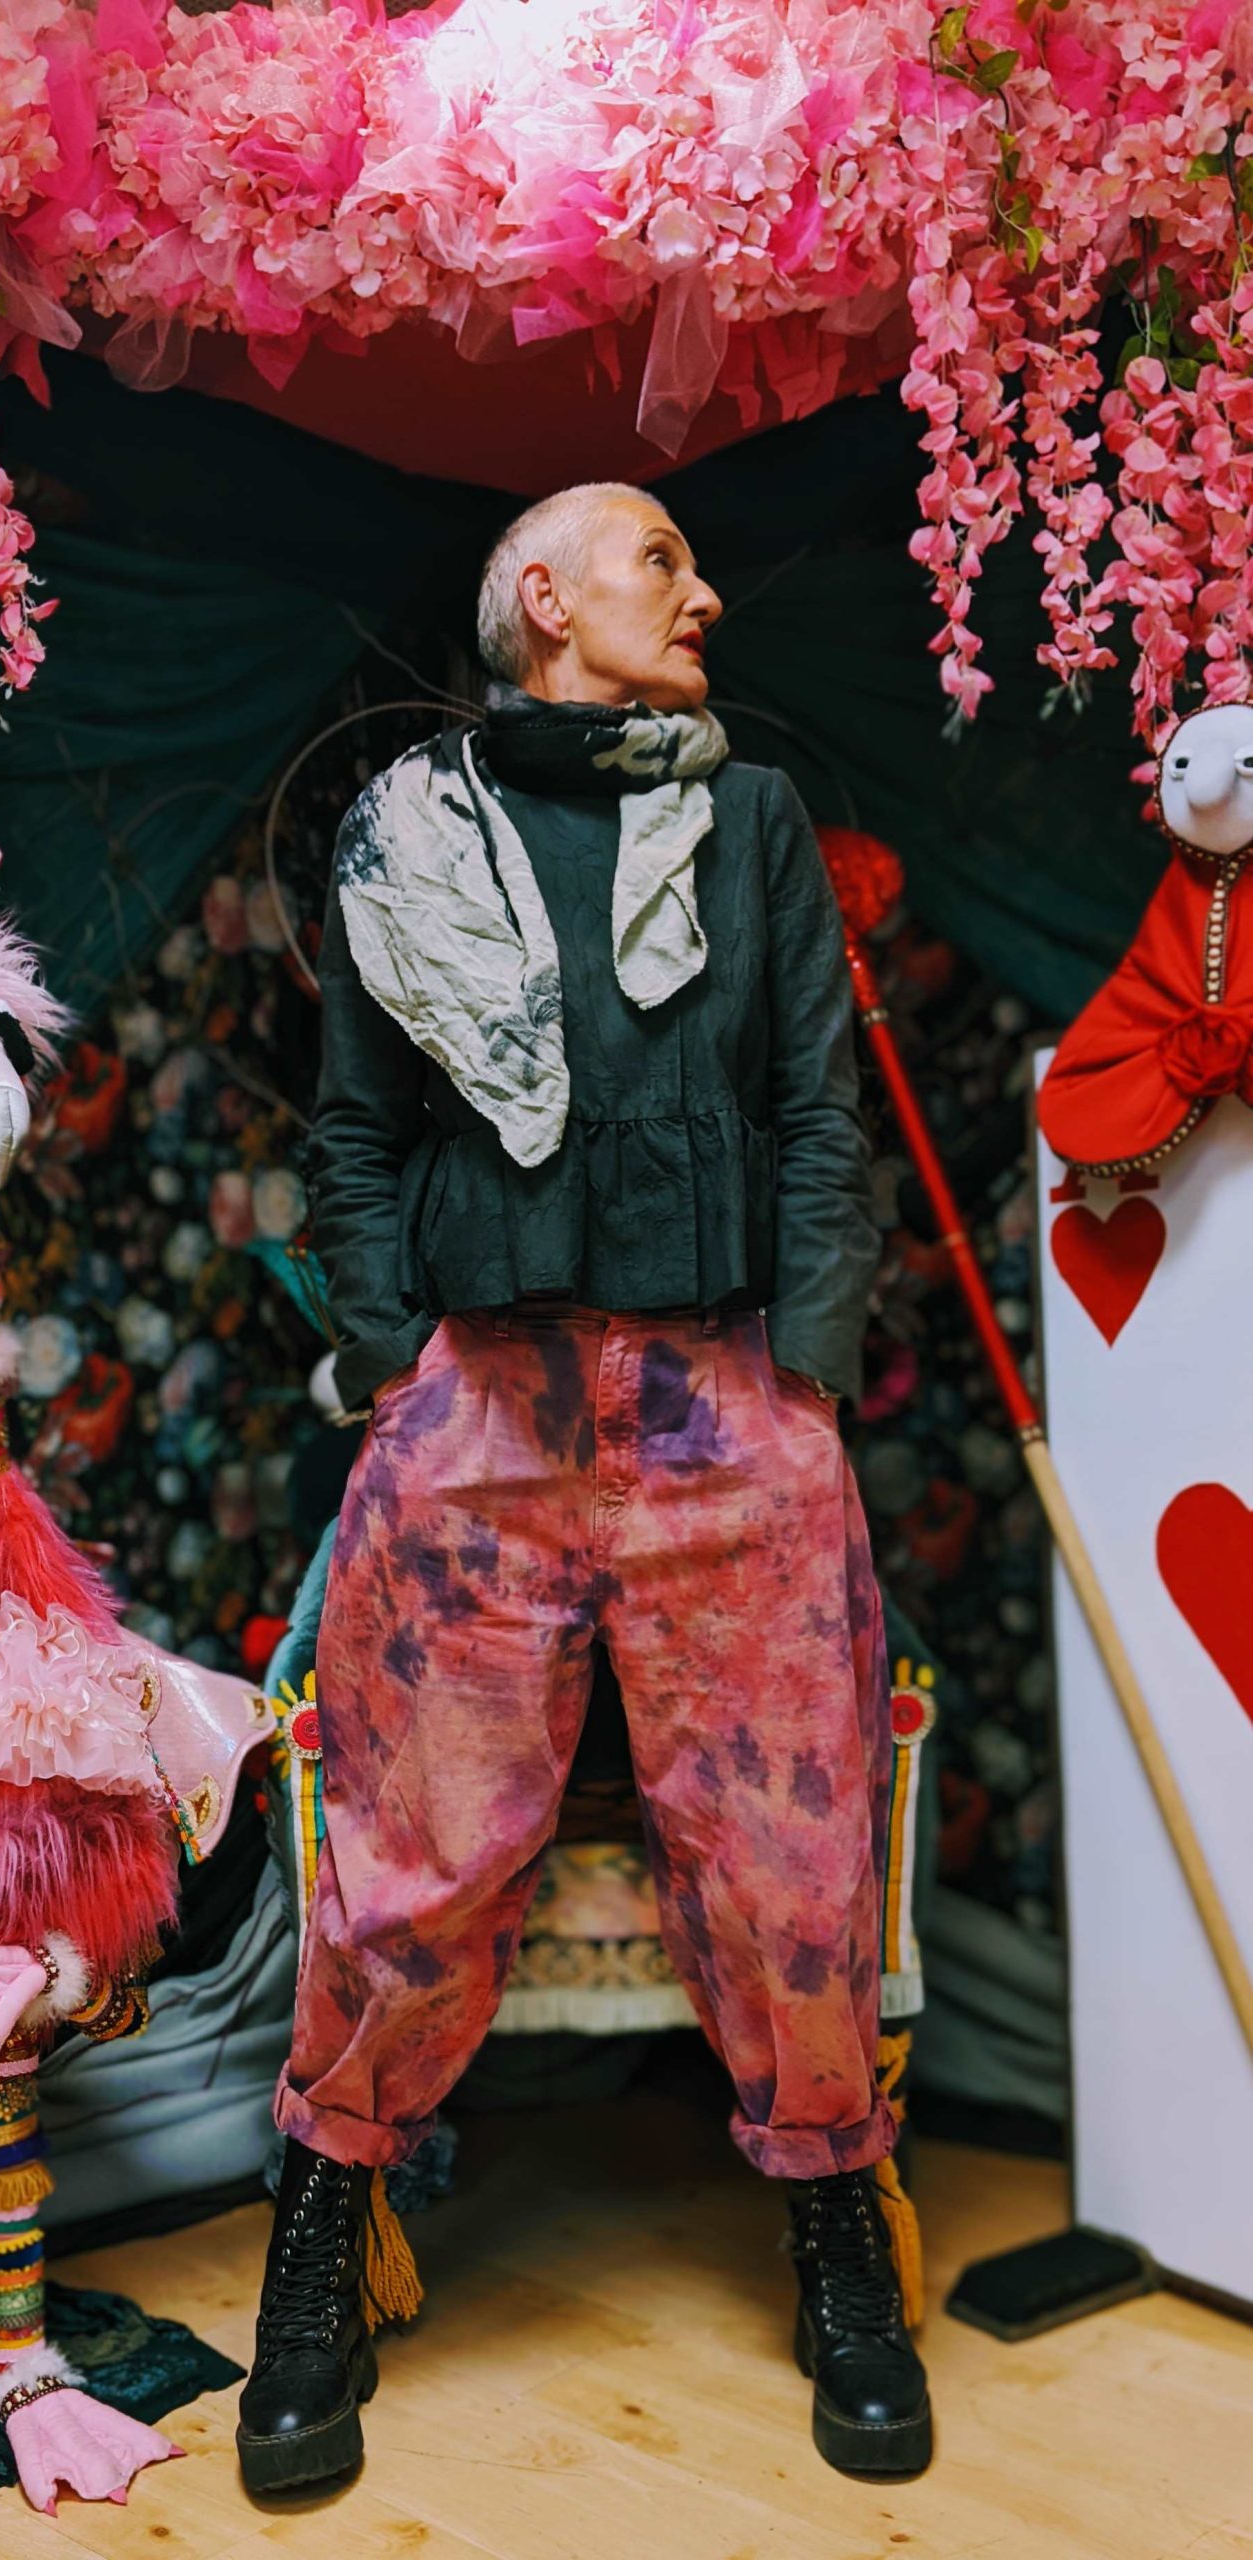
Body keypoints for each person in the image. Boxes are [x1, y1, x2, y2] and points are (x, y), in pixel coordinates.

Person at [236, 482, 932, 2494]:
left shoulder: (759, 822)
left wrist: (798, 1370)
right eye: (662, 563)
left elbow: (821, 1108)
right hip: (484, 1410)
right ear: (543, 599)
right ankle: (319, 2240)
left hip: (727, 1400)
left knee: (787, 1851)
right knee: (415, 1842)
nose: (705, 593)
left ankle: (835, 2246)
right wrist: (388, 1359)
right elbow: (356, 1132)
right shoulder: (410, 841)